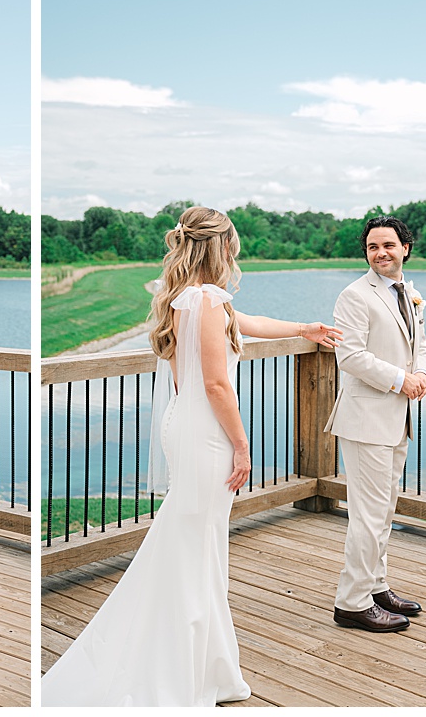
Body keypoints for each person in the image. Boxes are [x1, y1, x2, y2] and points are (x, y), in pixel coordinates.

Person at [41, 206, 343, 706]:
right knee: (195, 550)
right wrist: (242, 446)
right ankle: (178, 673)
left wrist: (303, 328)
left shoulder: (188, 297)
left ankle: (212, 668)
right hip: (206, 432)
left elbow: (247, 322)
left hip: (186, 425)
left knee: (198, 548)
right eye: (233, 244)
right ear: (222, 247)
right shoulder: (204, 299)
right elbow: (217, 382)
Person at [325, 215, 426, 633]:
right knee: (368, 516)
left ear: (405, 247)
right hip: (366, 418)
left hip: (396, 419)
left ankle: (376, 585)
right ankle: (351, 602)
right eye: (372, 247)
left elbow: (420, 346)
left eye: (388, 245)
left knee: (384, 511)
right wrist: (400, 380)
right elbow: (349, 356)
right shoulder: (354, 296)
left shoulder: (411, 293)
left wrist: (421, 374)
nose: (380, 253)